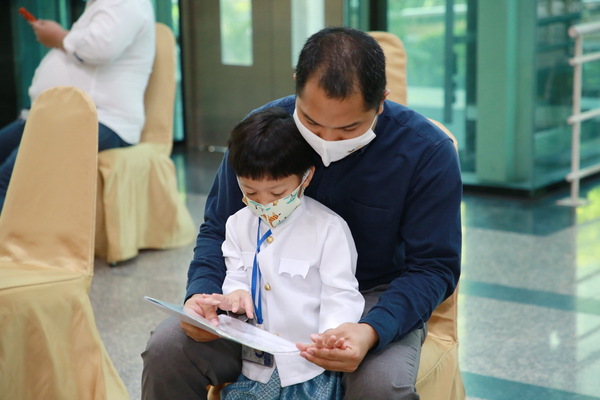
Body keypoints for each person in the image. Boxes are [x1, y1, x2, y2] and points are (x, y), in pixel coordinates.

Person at [142, 26, 462, 400]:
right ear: (297, 85)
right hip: (260, 290)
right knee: (167, 350)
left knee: (380, 386)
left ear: (381, 102)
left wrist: (372, 330)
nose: (326, 141)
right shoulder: (262, 133)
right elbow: (218, 228)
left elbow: (433, 267)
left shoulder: (426, 152)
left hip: (374, 296)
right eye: (311, 123)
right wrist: (202, 297)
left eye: (348, 129)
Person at [196, 107, 364, 399]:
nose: (264, 204)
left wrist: (332, 335)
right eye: (250, 192)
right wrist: (234, 295)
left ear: (306, 177)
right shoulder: (237, 225)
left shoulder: (328, 228)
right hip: (254, 367)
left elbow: (340, 293)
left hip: (308, 367)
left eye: (276, 194)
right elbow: (236, 274)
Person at [0, 0, 155, 212]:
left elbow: (99, 49)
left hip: (102, 119)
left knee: (11, 178)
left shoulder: (125, 3)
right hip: (55, 116)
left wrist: (58, 36)